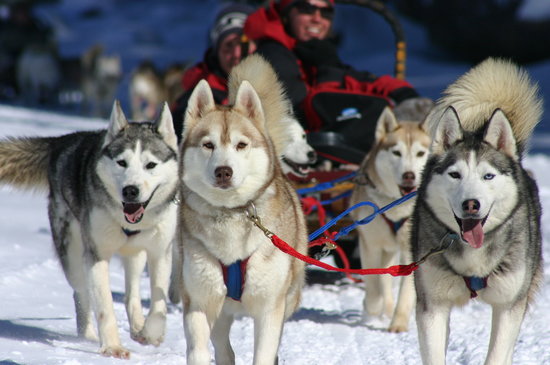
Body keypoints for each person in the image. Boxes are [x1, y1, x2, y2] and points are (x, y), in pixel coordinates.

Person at [244, 0, 428, 163]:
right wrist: (328, 71)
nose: (317, 18)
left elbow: (359, 80)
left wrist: (404, 94)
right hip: (299, 158)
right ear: (286, 14)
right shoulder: (273, 56)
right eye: (306, 8)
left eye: (326, 12)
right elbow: (310, 111)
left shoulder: (312, 52)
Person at [171, 3, 256, 140]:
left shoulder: (279, 83)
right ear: (216, 52)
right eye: (228, 46)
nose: (236, 53)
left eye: (243, 45)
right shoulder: (196, 95)